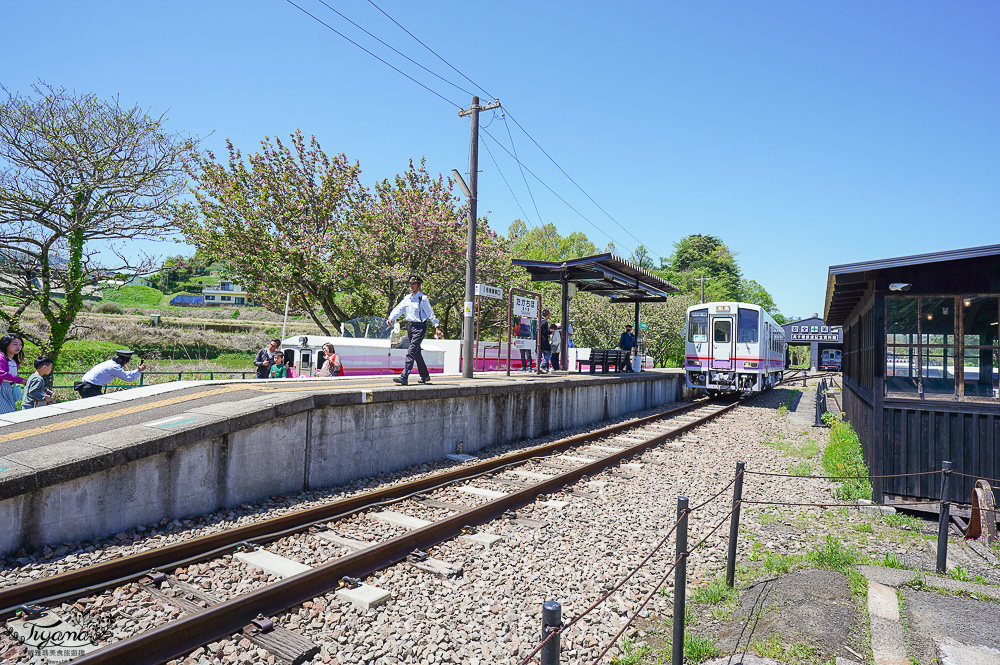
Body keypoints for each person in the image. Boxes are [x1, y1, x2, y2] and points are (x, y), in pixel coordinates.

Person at [386, 274, 443, 386]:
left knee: (411, 351)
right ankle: (425, 375)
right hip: (410, 327)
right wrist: (391, 317)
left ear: (418, 285)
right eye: (410, 284)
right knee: (416, 353)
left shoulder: (423, 299)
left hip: (420, 327)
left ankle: (404, 376)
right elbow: (399, 308)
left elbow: (431, 314)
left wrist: (437, 327)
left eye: (414, 284)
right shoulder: (407, 298)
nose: (411, 286)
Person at [77, 350, 146, 398]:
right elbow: (129, 378)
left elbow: (124, 374)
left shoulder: (111, 364)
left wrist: (138, 370)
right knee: (97, 409)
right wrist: (139, 371)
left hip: (88, 387)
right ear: (124, 360)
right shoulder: (114, 367)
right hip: (90, 388)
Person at [0, 333, 26, 414]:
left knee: (10, 412)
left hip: (7, 389)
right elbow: (1, 374)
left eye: (20, 344)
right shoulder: (1, 357)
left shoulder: (14, 361)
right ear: (5, 345)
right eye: (15, 344)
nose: (18, 347)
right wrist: (21, 380)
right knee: (6, 413)